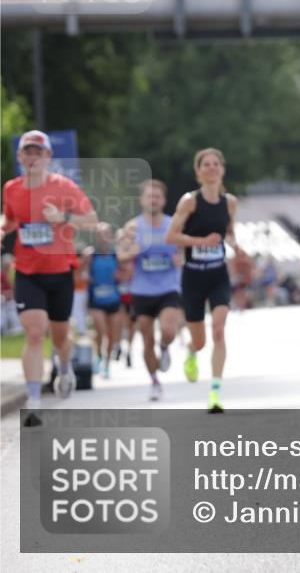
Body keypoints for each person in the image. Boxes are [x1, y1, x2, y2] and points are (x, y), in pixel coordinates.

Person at [1, 130, 98, 427]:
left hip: (60, 272)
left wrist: (63, 218)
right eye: (26, 152)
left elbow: (92, 221)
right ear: (19, 157)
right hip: (28, 272)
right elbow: (11, 221)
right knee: (34, 332)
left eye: (37, 152)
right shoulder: (11, 189)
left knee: (59, 338)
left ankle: (65, 366)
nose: (32, 157)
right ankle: (33, 401)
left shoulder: (64, 187)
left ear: (47, 157)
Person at [166, 148, 241, 414]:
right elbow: (171, 236)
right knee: (200, 341)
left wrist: (235, 245)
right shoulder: (190, 202)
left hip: (218, 274)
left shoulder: (230, 202)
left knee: (219, 330)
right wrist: (200, 242)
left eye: (215, 164)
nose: (211, 168)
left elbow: (229, 231)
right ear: (198, 172)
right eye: (205, 164)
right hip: (193, 276)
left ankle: (215, 393)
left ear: (222, 169)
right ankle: (191, 350)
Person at [118, 179, 183, 401]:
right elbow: (121, 255)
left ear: (163, 200)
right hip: (142, 290)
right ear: (142, 200)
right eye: (149, 196)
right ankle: (154, 380)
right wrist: (132, 252)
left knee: (168, 330)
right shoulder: (132, 227)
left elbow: (184, 251)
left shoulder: (173, 224)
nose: (153, 199)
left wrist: (180, 259)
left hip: (168, 287)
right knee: (146, 340)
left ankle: (165, 347)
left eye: (157, 196)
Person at [81, 223, 124, 379]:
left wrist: (120, 276)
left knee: (112, 335)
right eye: (100, 234)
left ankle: (107, 363)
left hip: (113, 299)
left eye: (106, 234)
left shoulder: (116, 255)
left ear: (110, 236)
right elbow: (80, 274)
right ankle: (98, 356)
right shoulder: (90, 255)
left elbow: (125, 274)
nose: (103, 237)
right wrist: (86, 275)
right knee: (100, 330)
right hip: (96, 299)